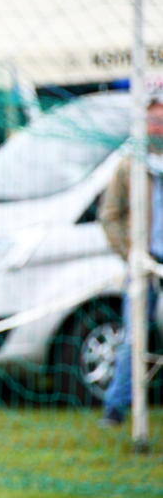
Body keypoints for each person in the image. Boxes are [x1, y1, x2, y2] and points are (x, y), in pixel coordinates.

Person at [99, 98, 163, 426]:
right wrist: (131, 252)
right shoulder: (130, 164)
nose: (158, 128)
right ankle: (116, 407)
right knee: (133, 335)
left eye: (161, 121)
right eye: (153, 121)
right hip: (144, 263)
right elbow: (109, 215)